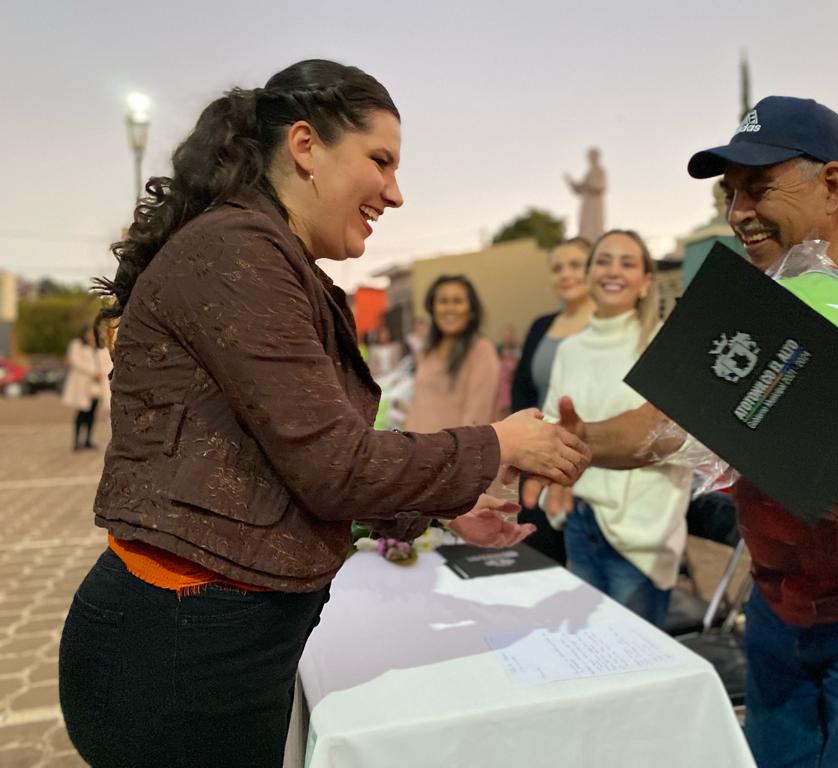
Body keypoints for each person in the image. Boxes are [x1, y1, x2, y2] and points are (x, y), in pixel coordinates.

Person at [58, 59, 589, 768]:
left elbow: (292, 471)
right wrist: (499, 443)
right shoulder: (237, 252)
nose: (395, 193)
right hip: (180, 652)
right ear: (305, 146)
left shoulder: (261, 254)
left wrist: (446, 507)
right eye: (380, 161)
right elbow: (336, 466)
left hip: (205, 640)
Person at [530, 96, 838, 768]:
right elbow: (664, 426)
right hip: (776, 610)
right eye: (728, 193)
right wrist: (575, 442)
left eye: (758, 188)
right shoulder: (745, 300)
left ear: (832, 185)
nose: (738, 213)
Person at [539, 230, 692, 628]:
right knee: (584, 648)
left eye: (627, 263)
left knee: (633, 654)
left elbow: (681, 439)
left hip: (641, 538)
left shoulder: (665, 344)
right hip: (580, 522)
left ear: (645, 281)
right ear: (589, 274)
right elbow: (554, 421)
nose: (613, 271)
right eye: (603, 261)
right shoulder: (570, 349)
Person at [511, 237, 594, 564]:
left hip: (594, 463)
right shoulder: (541, 327)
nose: (565, 274)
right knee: (539, 560)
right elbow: (522, 390)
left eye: (575, 265)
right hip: (540, 460)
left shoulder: (608, 328)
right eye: (557, 268)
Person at [404, 275, 501, 432]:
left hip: (460, 447)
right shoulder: (427, 352)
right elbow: (417, 408)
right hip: (418, 446)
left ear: (471, 310)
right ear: (433, 308)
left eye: (457, 301)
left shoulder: (481, 351)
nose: (450, 308)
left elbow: (476, 421)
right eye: (443, 301)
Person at [61, 324, 112, 450]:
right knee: (82, 412)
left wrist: (102, 373)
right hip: (83, 384)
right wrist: (94, 372)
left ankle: (88, 439)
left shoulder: (101, 347)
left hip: (97, 385)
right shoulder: (77, 345)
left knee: (92, 412)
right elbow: (76, 361)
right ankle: (76, 441)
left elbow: (108, 363)